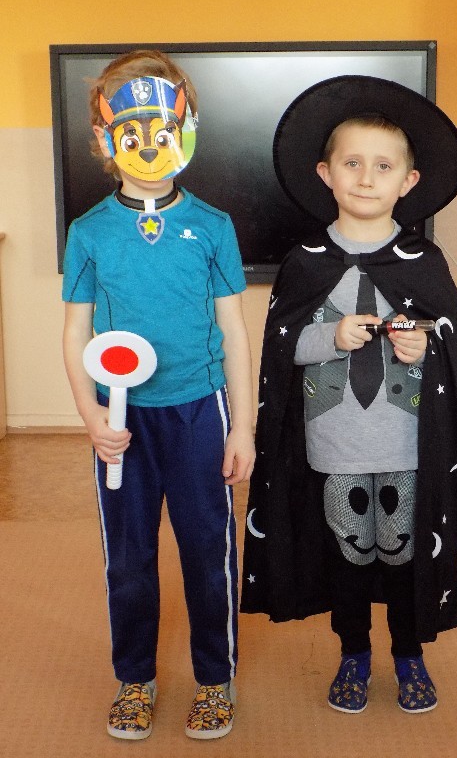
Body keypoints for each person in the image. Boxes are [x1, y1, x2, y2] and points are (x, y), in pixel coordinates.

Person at [241, 75, 457, 715]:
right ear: (326, 173)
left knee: (402, 551)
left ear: (409, 181)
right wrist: (331, 336)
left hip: (405, 445)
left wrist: (423, 347)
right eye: (352, 164)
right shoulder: (305, 261)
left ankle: (409, 655)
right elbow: (282, 348)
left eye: (383, 167)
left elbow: (450, 347)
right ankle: (353, 654)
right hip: (333, 443)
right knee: (347, 550)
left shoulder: (425, 262)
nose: (366, 179)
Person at [62, 49, 255, 741]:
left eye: (164, 128)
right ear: (104, 139)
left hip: (200, 409)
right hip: (122, 420)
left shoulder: (213, 226)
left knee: (208, 550)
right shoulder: (89, 232)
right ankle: (135, 679)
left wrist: (242, 427)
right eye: (131, 131)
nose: (149, 146)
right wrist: (90, 415)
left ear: (187, 129)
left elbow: (235, 330)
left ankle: (215, 679)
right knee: (128, 556)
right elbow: (76, 331)